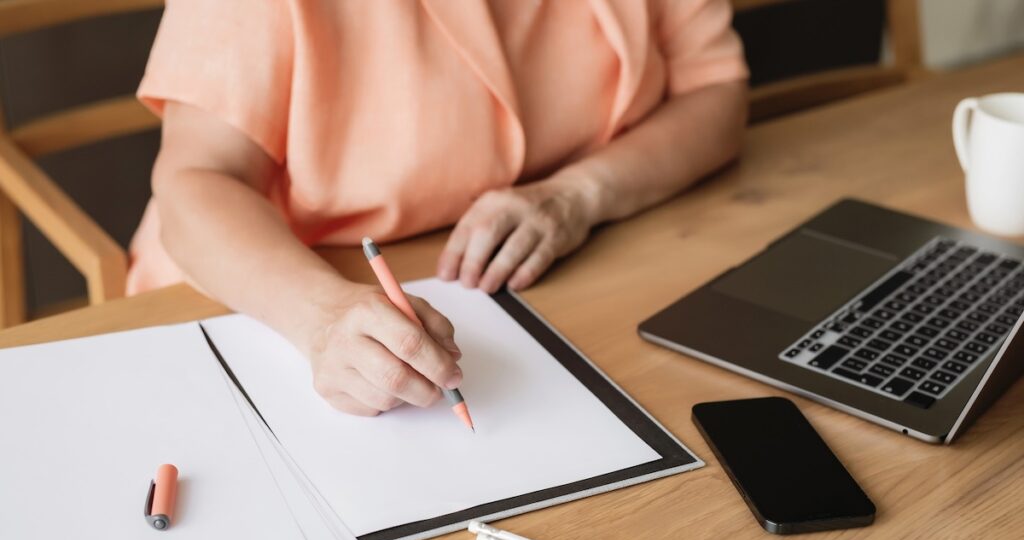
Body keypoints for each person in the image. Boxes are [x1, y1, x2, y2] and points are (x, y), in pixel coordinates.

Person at [133, 0, 748, 416]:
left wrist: (581, 194)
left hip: (581, 289)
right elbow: (197, 179)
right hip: (262, 299)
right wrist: (321, 317)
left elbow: (715, 92)